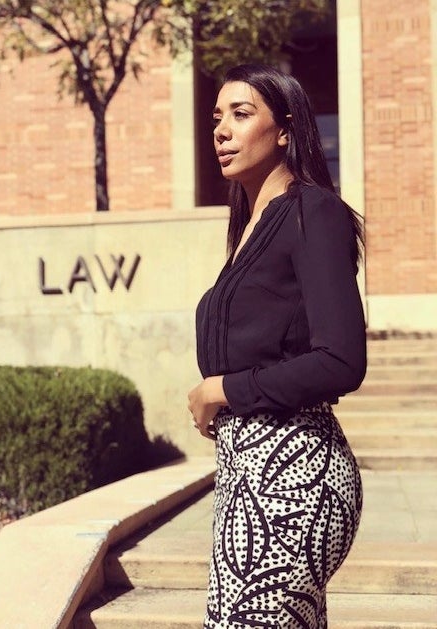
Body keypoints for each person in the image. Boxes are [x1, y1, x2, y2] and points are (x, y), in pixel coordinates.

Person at [188, 63, 367, 628]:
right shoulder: (248, 226)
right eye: (217, 117)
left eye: (242, 115)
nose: (221, 130)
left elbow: (342, 360)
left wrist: (224, 388)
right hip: (246, 475)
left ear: (286, 129)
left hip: (294, 473)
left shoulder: (313, 211)